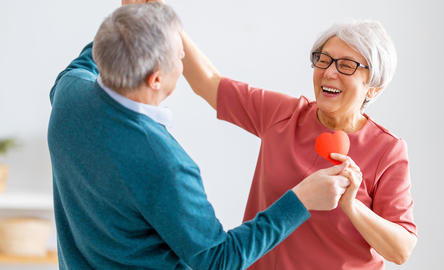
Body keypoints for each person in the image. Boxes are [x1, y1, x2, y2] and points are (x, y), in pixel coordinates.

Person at [47, 2, 352, 269]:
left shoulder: (69, 95)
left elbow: (95, 56)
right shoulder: (164, 163)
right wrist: (300, 200)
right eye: (180, 57)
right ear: (156, 79)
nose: (184, 64)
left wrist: (130, 18)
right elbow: (217, 259)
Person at [181, 18, 418, 269]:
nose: (329, 72)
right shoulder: (282, 114)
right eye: (323, 60)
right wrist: (160, 15)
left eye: (347, 65)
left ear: (373, 88)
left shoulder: (387, 150)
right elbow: (208, 82)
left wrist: (352, 206)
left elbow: (400, 250)